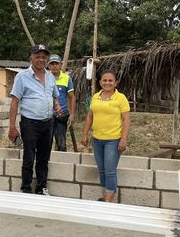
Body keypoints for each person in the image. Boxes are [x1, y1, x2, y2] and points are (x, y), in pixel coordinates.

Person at [9, 45, 62, 195]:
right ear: (31, 58)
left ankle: (41, 188)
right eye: (37, 56)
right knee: (29, 157)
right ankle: (26, 189)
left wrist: (57, 105)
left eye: (44, 57)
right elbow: (14, 101)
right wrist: (12, 127)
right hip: (30, 123)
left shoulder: (50, 76)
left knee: (44, 158)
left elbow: (54, 96)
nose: (41, 59)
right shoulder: (22, 77)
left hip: (48, 123)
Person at [81, 69, 130, 202]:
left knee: (110, 171)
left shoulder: (121, 98)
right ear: (100, 82)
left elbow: (126, 119)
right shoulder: (95, 97)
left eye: (110, 80)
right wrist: (85, 134)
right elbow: (90, 116)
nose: (107, 83)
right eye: (104, 80)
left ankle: (108, 202)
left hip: (113, 140)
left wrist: (123, 139)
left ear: (116, 83)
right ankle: (105, 197)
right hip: (97, 140)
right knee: (102, 170)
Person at [47, 54, 75, 152]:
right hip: (47, 115)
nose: (54, 66)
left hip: (61, 115)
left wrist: (72, 114)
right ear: (48, 65)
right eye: (52, 64)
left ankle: (61, 159)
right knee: (46, 143)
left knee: (61, 144)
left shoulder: (67, 79)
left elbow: (72, 97)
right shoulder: (45, 77)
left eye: (56, 63)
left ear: (61, 65)